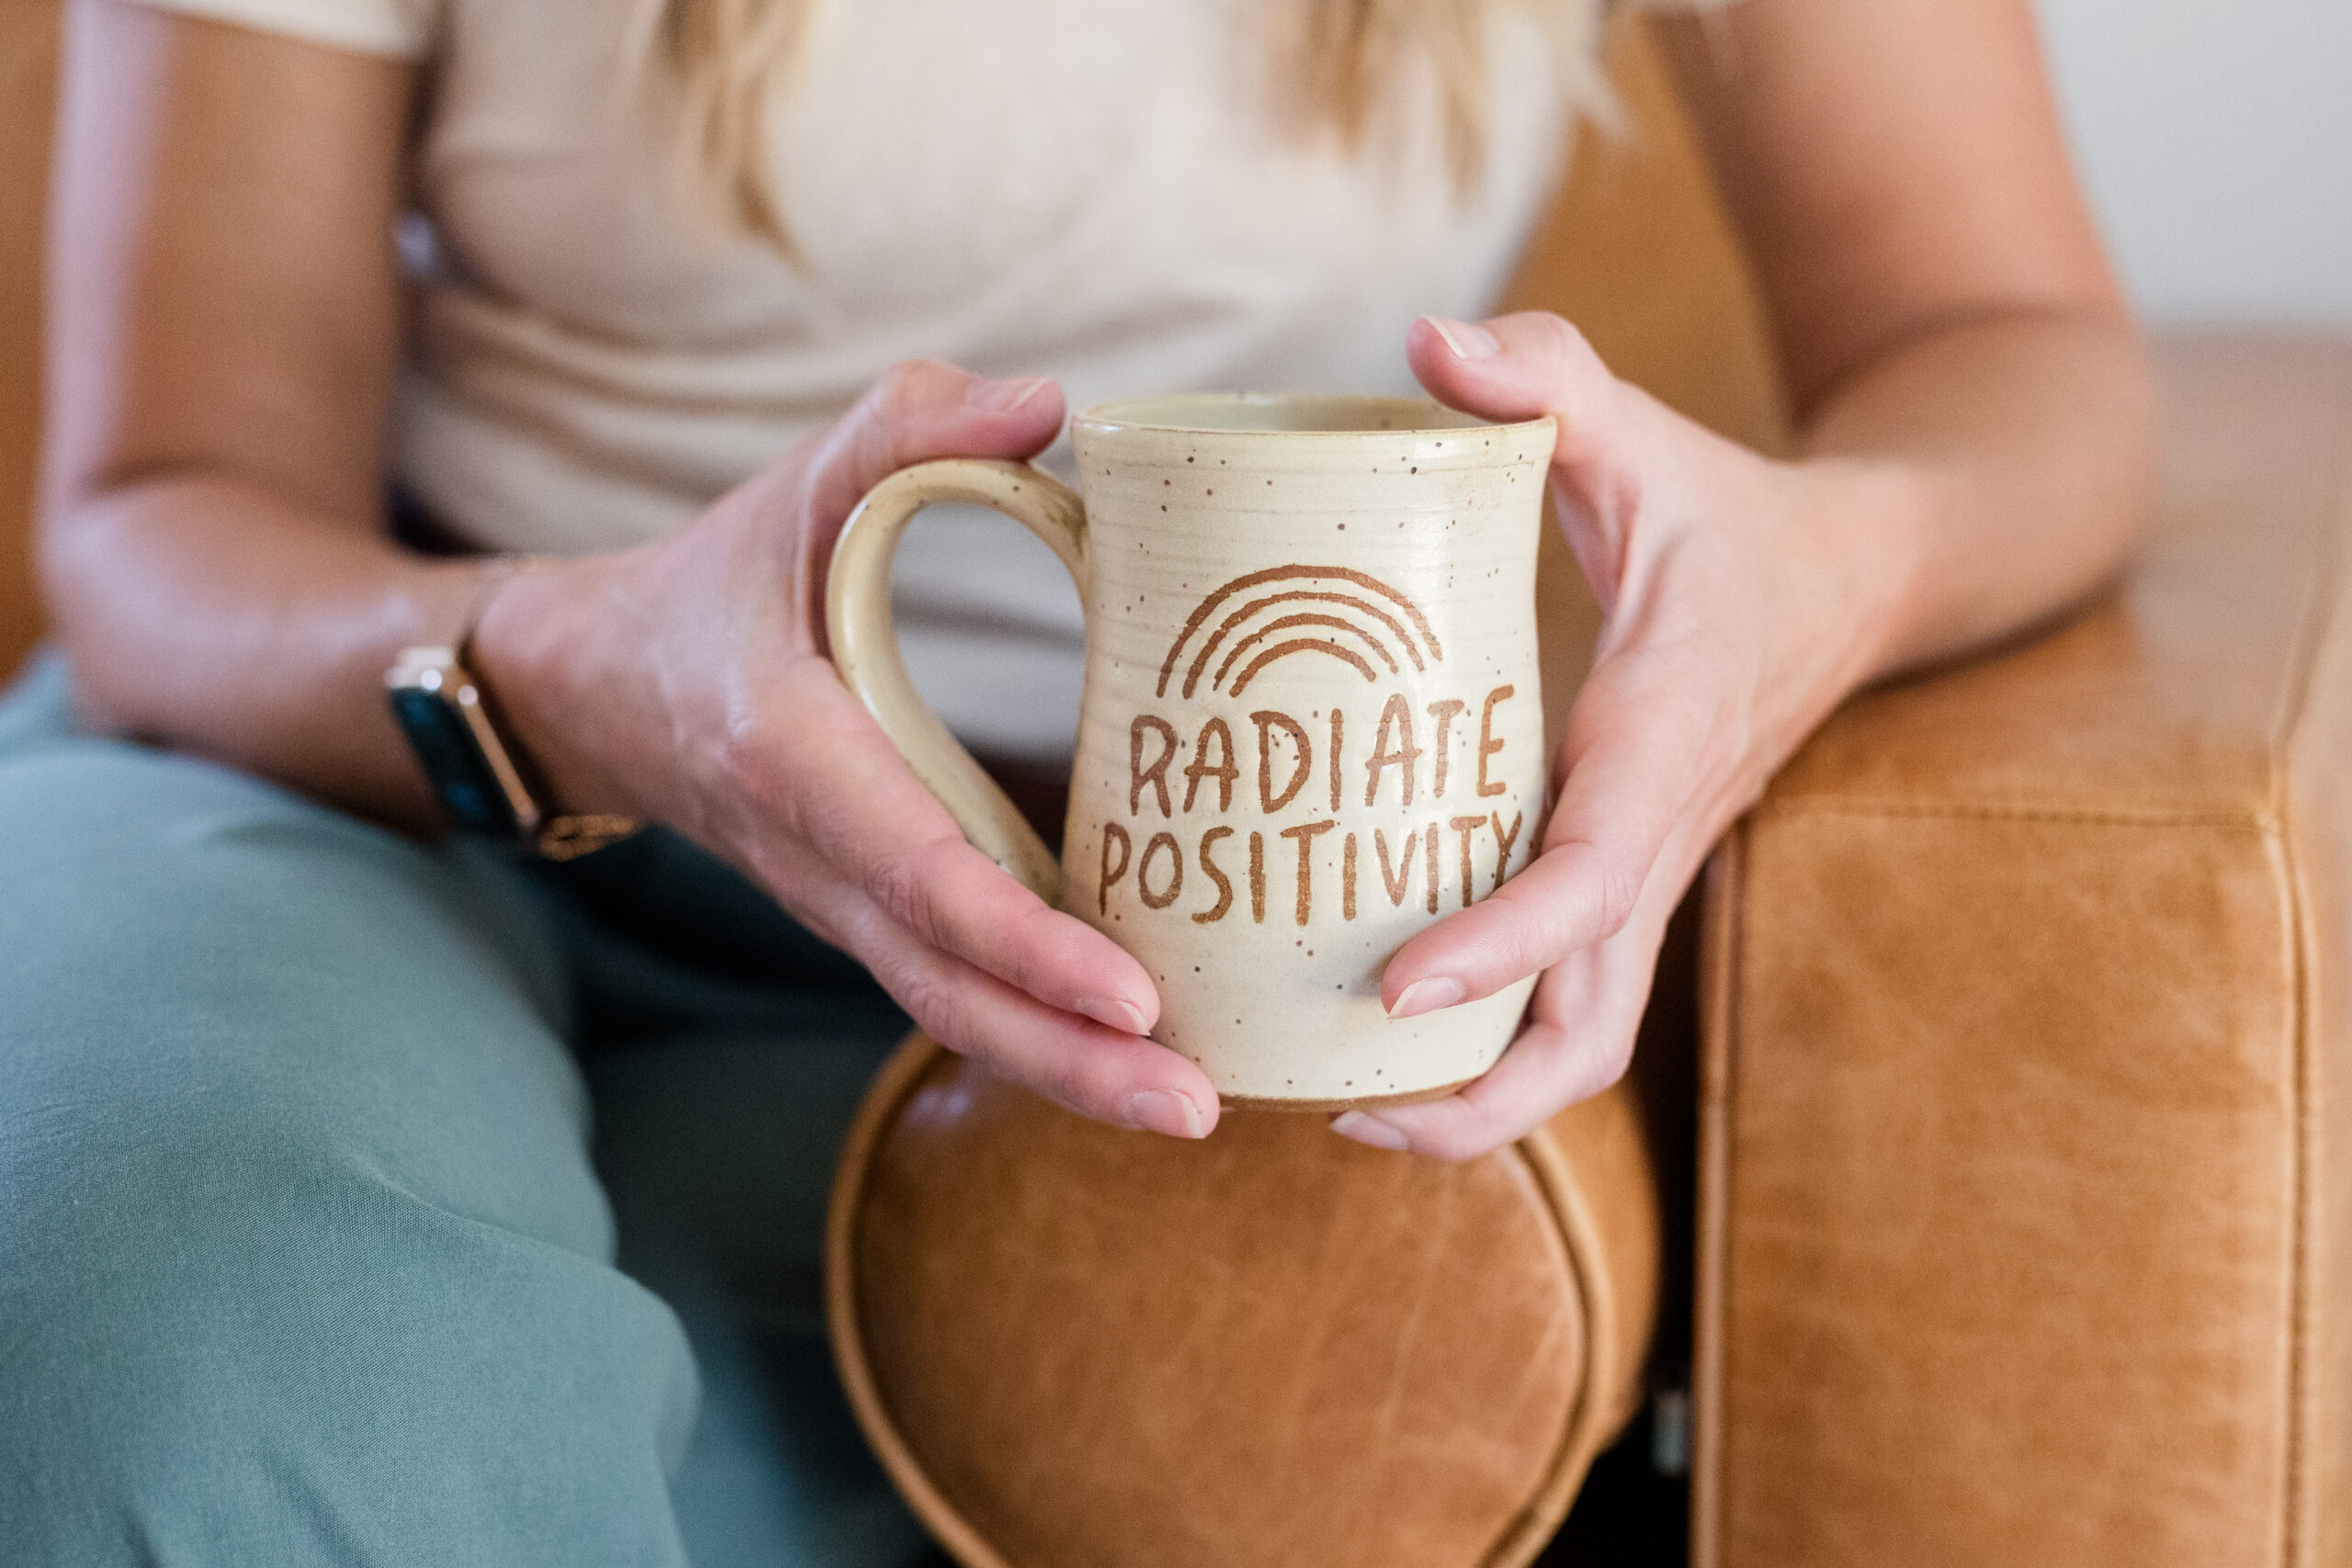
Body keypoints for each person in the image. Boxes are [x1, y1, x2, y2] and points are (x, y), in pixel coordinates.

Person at [3, 0, 2154, 1561]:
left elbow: (2010, 344)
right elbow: (164, 512)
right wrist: (574, 666)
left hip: (1153, 928)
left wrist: (1801, 583)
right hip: (392, 771)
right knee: (169, 1348)